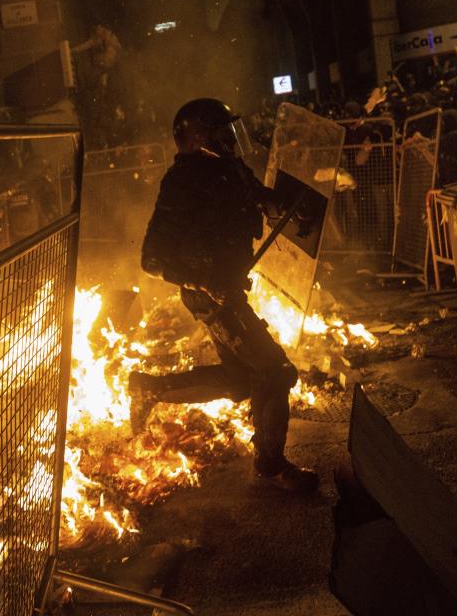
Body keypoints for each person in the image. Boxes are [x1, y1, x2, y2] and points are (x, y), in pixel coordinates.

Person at [128, 98, 320, 494]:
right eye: (221, 133)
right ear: (200, 139)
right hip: (210, 295)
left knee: (238, 379)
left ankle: (149, 388)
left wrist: (279, 205)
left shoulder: (228, 168)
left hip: (228, 289)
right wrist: (204, 283)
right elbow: (152, 258)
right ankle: (272, 466)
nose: (231, 139)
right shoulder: (181, 182)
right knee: (275, 371)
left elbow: (255, 194)